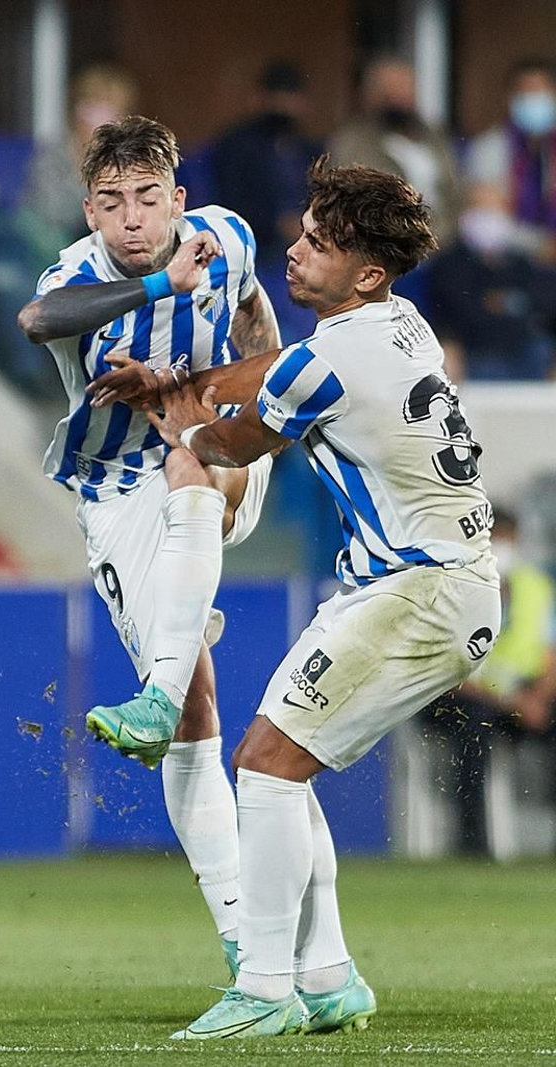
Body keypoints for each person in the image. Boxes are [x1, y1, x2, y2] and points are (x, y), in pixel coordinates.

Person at [145, 158, 498, 1038]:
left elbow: (238, 439)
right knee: (283, 769)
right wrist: (203, 386)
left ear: (366, 272)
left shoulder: (333, 358)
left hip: (418, 588)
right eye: (301, 232)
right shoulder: (399, 323)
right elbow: (282, 366)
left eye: (319, 244)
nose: (294, 252)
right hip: (432, 584)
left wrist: (177, 419)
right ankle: (328, 974)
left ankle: (264, 988)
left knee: (263, 762)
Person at [17, 115, 282, 975]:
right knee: (201, 712)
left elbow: (252, 312)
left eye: (146, 199)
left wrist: (251, 397)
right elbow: (38, 319)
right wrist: (159, 289)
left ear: (178, 199)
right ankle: (247, 936)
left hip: (210, 444)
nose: (131, 218)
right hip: (112, 493)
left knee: (191, 456)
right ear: (91, 214)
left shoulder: (228, 238)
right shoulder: (78, 277)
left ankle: (157, 686)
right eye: (110, 203)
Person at [421, 507, 555, 854]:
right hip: (465, 698)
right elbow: (444, 672)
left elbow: (550, 654)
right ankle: (473, 846)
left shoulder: (535, 587)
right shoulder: (451, 586)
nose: (502, 546)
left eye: (508, 538)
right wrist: (514, 702)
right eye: (496, 537)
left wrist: (537, 698)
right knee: (473, 735)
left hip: (522, 698)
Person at [328, 55, 462, 247]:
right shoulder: (353, 141)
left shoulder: (433, 137)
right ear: (371, 93)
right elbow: (360, 201)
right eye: (390, 89)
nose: (398, 97)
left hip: (444, 242)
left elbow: (454, 193)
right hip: (388, 243)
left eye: (404, 88)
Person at [427, 183, 556, 381]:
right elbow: (459, 307)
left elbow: (540, 301)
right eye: (479, 207)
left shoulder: (519, 261)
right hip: (473, 349)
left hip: (522, 348)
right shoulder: (450, 261)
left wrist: (501, 302)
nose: (487, 216)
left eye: (493, 207)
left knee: (540, 347)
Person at [17, 65, 138, 262]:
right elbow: (52, 214)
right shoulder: (54, 155)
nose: (99, 121)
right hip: (43, 246)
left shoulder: (130, 162)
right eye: (91, 109)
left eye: (109, 112)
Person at [209, 62, 323, 267]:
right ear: (259, 98)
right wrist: (277, 224)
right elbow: (230, 202)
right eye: (276, 97)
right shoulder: (238, 145)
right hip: (258, 246)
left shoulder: (310, 149)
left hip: (308, 242)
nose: (283, 105)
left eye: (290, 97)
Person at [465, 58, 556, 236]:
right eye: (525, 92)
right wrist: (539, 247)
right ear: (509, 98)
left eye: (539, 91)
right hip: (511, 251)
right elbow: (487, 213)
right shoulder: (487, 148)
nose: (532, 98)